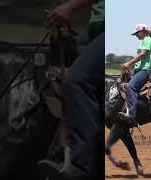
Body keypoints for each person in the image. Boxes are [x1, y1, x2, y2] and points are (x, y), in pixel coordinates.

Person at [37, 0, 104, 180]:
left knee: (76, 80)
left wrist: (70, 7)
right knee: (53, 69)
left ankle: (81, 168)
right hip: (98, 31)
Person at [118, 24, 151, 128]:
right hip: (139, 70)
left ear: (143, 32)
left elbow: (142, 55)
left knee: (130, 86)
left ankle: (131, 115)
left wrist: (128, 64)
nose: (136, 35)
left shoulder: (147, 41)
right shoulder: (144, 41)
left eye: (137, 33)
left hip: (145, 70)